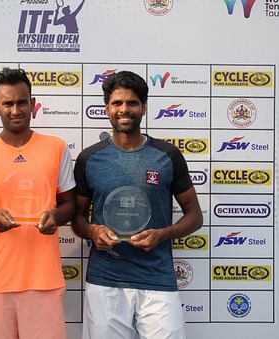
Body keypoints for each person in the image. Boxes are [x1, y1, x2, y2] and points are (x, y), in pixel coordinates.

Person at [72, 71, 203, 339]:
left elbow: (194, 215)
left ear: (144, 107)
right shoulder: (89, 159)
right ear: (107, 108)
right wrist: (93, 232)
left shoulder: (168, 155)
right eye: (117, 103)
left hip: (157, 277)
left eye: (132, 103)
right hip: (106, 278)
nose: (124, 110)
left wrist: (162, 234)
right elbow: (77, 218)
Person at [0, 67, 76, 339]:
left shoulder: (56, 147)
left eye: (22, 102)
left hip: (44, 279)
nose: (16, 110)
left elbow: (70, 204)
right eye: (8, 103)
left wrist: (56, 216)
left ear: (33, 104)